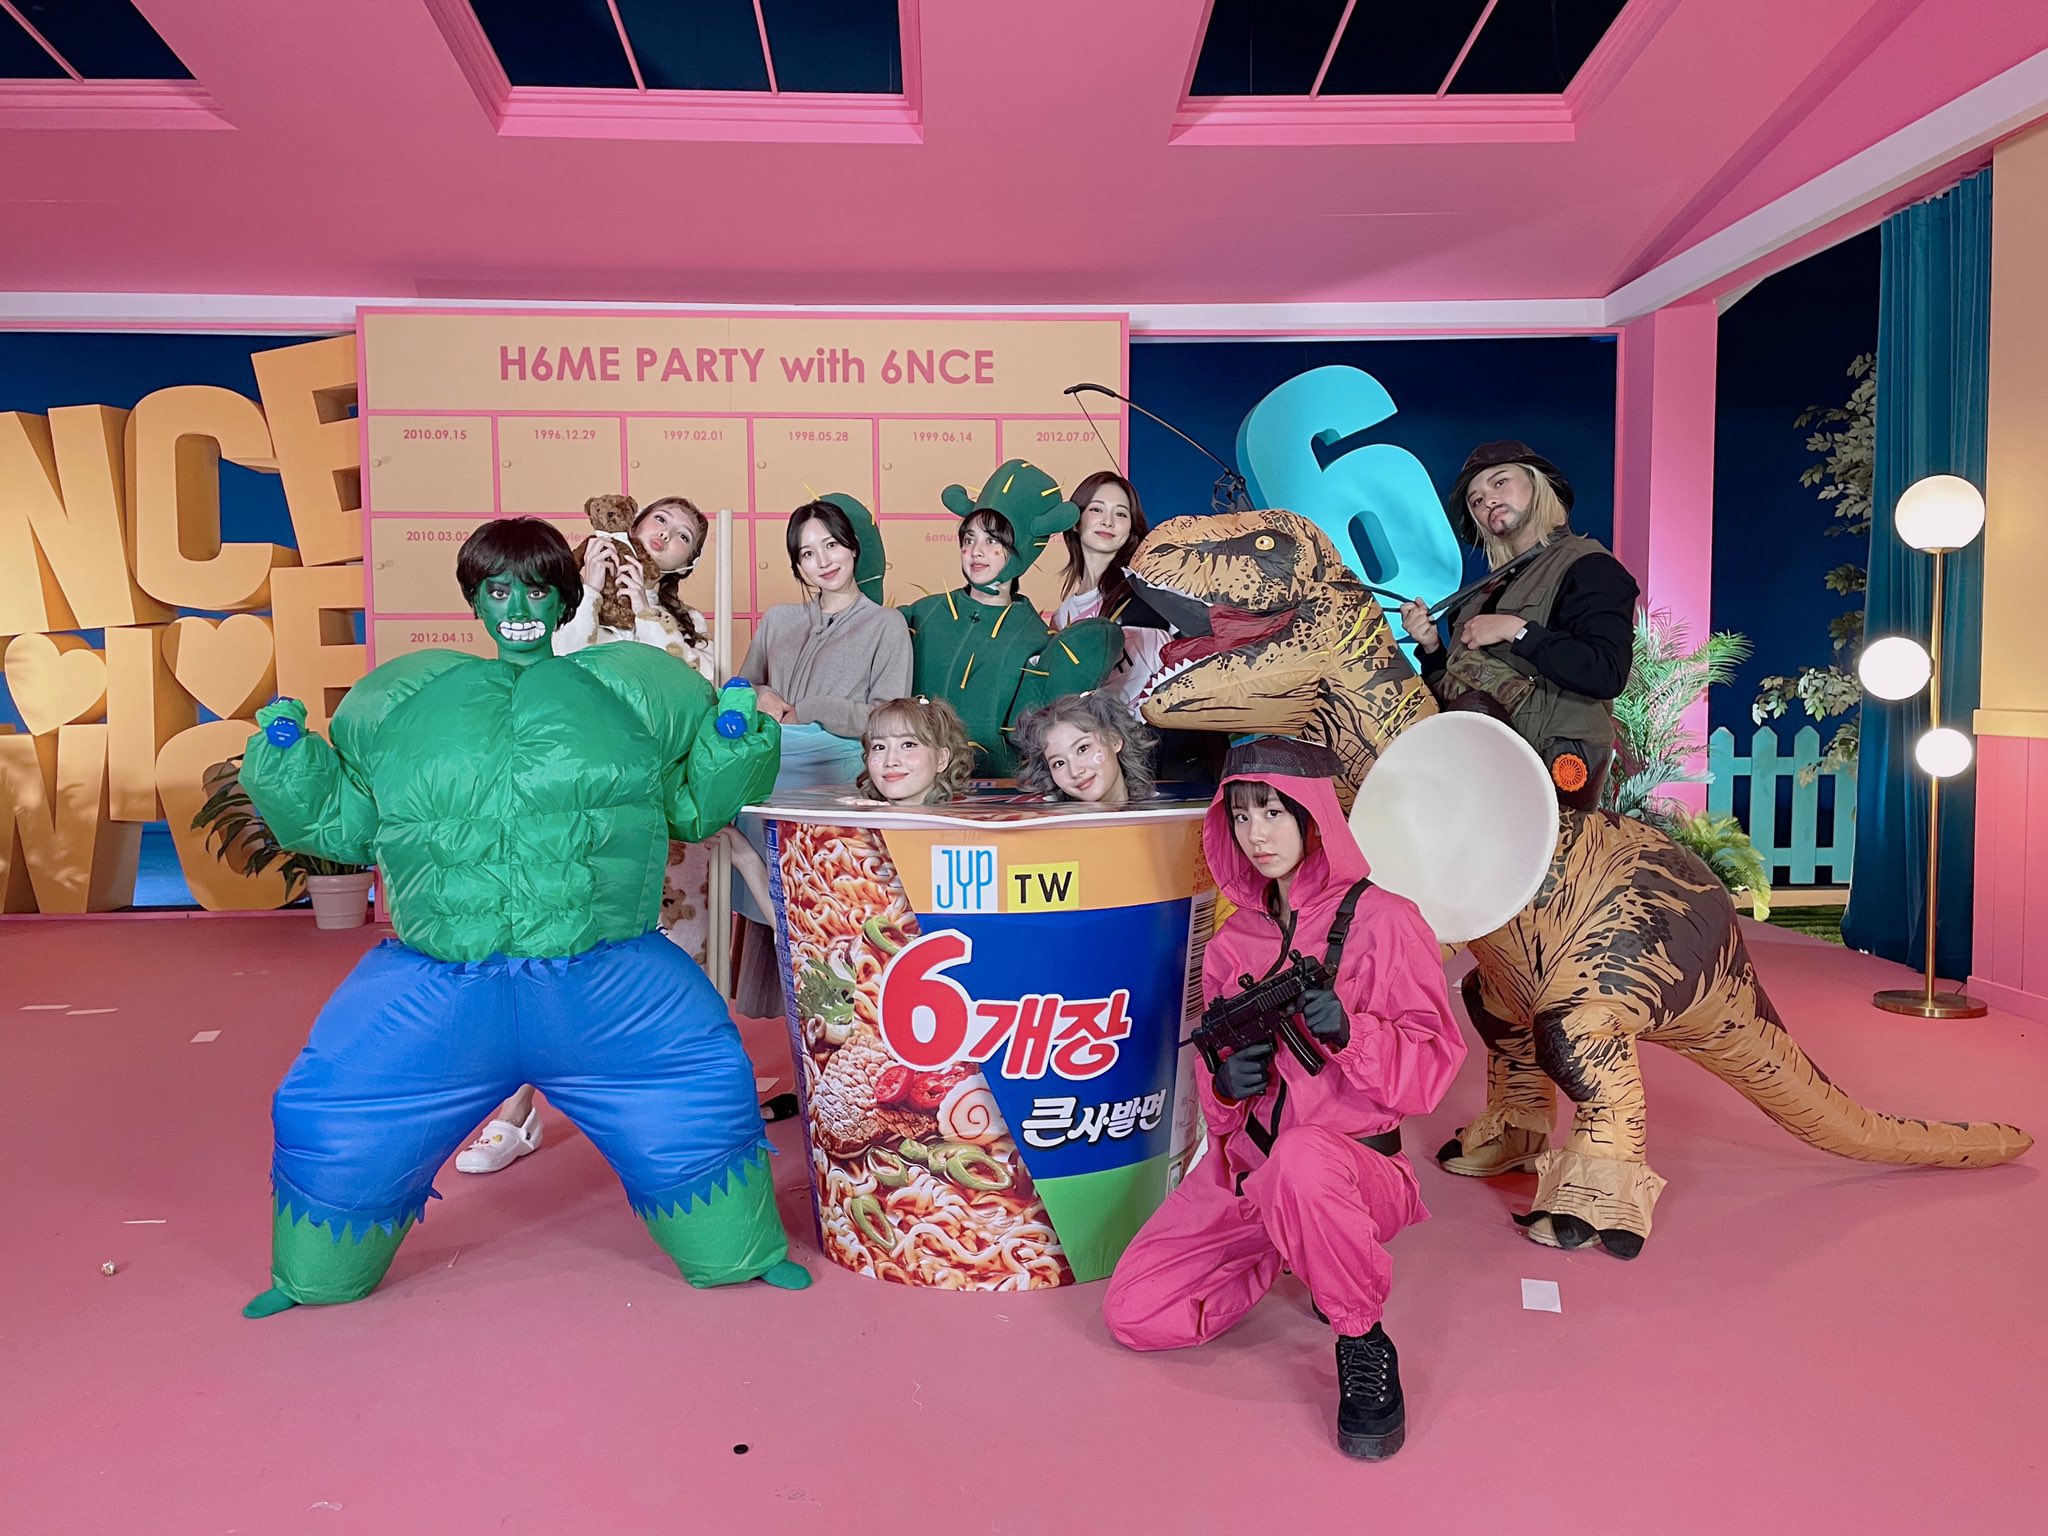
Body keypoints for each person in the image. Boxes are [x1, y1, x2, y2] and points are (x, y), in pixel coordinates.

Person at [236, 517, 806, 1315]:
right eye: (499, 590)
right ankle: (314, 1275)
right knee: (333, 1107)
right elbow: (344, 825)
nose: (519, 609)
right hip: (441, 987)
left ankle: (741, 1252)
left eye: (537, 590)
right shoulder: (404, 700)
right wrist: (288, 762)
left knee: (701, 1087)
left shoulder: (636, 691)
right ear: (476, 600)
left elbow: (692, 807)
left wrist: (734, 743)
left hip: (607, 982)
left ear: (563, 597)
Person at [1101, 735, 1464, 1461]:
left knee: (1302, 1160)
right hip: (1252, 1171)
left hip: (1359, 1170)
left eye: (1273, 812)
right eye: (1239, 816)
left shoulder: (1388, 921)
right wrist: (1225, 1089)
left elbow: (1430, 1070)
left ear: (1314, 814)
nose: (1255, 834)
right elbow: (1218, 1084)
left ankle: (1362, 1339)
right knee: (1133, 1311)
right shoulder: (1234, 942)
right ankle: (1302, 1245)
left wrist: (1353, 1033)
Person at [456, 495, 721, 1176]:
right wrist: (593, 589)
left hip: (662, 817)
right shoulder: (559, 607)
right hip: (577, 814)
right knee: (551, 955)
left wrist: (646, 607)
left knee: (662, 966)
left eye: (683, 536)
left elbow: (692, 691)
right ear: (630, 527)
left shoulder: (691, 626)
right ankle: (517, 1111)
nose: (665, 535)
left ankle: (663, 1114)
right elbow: (556, 669)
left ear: (686, 562)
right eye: (658, 521)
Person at [726, 496, 913, 1015]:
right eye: (807, 553)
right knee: (767, 907)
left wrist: (811, 709)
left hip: (835, 782)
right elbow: (741, 688)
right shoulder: (780, 620)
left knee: (825, 913)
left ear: (853, 548)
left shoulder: (886, 625)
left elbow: (887, 717)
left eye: (831, 545)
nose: (823, 561)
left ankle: (834, 1051)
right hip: (769, 774)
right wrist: (761, 695)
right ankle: (782, 1055)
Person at [1398, 441, 1637, 810]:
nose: (1488, 501)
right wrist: (1431, 647)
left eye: (1500, 482)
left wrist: (1517, 630)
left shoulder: (1590, 567)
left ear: (1537, 483)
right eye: (1476, 500)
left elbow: (1606, 673)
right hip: (1472, 771)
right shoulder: (1480, 595)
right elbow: (1459, 689)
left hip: (1551, 775)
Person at [901, 459, 1120, 776]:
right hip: (910, 785)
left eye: (992, 540)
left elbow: (1032, 735)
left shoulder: (1036, 640)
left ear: (1024, 547)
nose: (976, 551)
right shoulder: (923, 613)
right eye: (969, 539)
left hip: (995, 792)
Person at [1049, 472, 1168, 708]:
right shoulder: (1062, 618)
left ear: (1131, 528)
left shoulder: (1151, 590)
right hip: (1101, 729)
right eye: (1096, 509)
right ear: (1076, 521)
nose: (1108, 521)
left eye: (1121, 513)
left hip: (1163, 724)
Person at [1011, 690, 1158, 806]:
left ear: (1114, 740)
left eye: (1083, 749)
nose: (1075, 772)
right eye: (1059, 763)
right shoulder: (1049, 829)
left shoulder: (1160, 815)